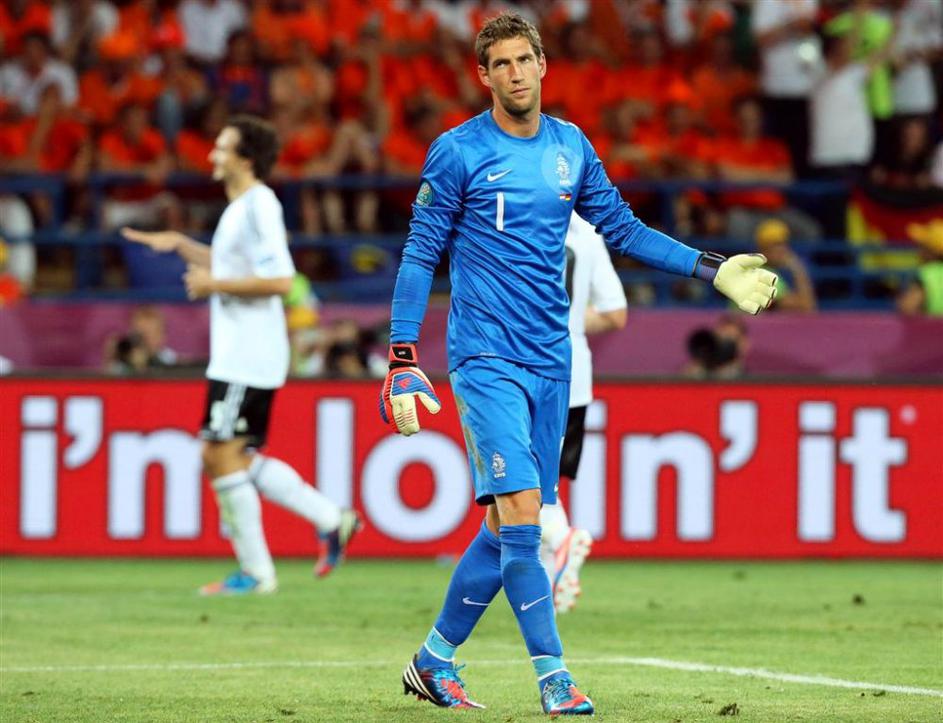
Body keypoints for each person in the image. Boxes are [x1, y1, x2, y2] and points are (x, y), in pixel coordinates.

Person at [377, 13, 777, 716]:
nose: (514, 73)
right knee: (524, 516)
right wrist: (402, 354)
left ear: (542, 65)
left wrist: (709, 268)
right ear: (483, 76)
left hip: (552, 359)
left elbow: (622, 228)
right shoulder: (457, 151)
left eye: (523, 60)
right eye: (500, 64)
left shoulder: (570, 146)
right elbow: (419, 253)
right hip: (485, 355)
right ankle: (553, 676)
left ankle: (433, 661)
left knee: (508, 525)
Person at [121, 114, 360, 595]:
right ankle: (329, 519)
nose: (212, 155)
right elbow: (233, 266)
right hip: (241, 351)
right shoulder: (239, 209)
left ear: (246, 159)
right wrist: (182, 246)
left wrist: (214, 284)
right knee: (233, 454)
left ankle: (257, 572)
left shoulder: (259, 205)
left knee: (218, 453)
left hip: (248, 353)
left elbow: (281, 280)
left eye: (222, 148)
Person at [540, 212, 627, 615]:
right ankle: (551, 586)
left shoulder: (515, 211)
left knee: (517, 480)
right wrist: (573, 320)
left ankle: (561, 539)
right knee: (544, 483)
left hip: (528, 364)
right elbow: (615, 313)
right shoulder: (589, 233)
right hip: (575, 370)